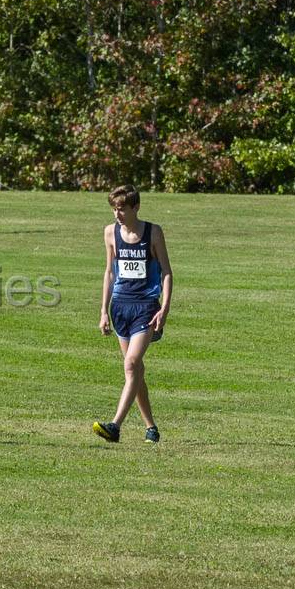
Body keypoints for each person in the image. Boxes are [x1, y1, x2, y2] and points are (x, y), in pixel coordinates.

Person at [95, 184, 173, 444]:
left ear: (135, 207)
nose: (117, 214)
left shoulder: (153, 232)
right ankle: (151, 427)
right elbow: (108, 272)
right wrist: (103, 311)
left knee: (131, 365)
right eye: (114, 209)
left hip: (146, 308)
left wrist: (165, 308)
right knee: (134, 370)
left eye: (122, 209)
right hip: (121, 307)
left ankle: (114, 426)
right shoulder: (110, 233)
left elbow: (166, 272)